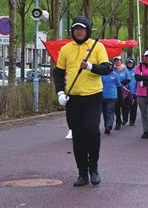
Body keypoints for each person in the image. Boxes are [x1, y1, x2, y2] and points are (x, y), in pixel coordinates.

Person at [53, 15, 110, 186]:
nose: (79, 31)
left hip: (93, 96)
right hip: (73, 98)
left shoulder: (97, 47)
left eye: (82, 28)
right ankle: (82, 173)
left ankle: (93, 168)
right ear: (72, 30)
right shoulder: (65, 49)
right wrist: (60, 93)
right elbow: (58, 72)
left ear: (87, 30)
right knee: (77, 135)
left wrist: (90, 67)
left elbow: (107, 69)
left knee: (91, 131)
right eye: (76, 28)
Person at [134, 50, 148, 139]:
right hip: (140, 93)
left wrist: (144, 78)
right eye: (146, 56)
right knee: (143, 113)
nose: (147, 58)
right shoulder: (139, 66)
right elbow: (137, 77)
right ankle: (145, 131)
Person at [101, 60, 121, 135]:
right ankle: (106, 124)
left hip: (112, 96)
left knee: (110, 111)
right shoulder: (101, 75)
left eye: (110, 65)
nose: (109, 67)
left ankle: (109, 126)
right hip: (103, 96)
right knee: (105, 112)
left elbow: (118, 85)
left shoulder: (115, 75)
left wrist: (120, 97)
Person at [113, 56, 131, 129]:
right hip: (116, 90)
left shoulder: (125, 69)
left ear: (121, 61)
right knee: (116, 106)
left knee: (125, 106)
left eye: (118, 60)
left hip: (124, 89)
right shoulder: (113, 69)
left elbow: (128, 79)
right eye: (116, 60)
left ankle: (125, 118)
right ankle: (118, 122)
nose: (117, 62)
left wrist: (121, 83)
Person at [125, 57, 138, 126]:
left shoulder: (136, 70)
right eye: (128, 63)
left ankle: (132, 121)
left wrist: (136, 92)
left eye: (131, 63)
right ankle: (125, 119)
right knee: (126, 107)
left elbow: (137, 82)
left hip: (134, 92)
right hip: (126, 92)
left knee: (133, 107)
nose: (130, 64)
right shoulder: (124, 70)